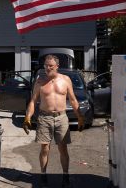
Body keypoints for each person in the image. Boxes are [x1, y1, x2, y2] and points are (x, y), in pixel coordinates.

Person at [23, 55, 84, 188]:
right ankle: (43, 175)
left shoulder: (65, 80)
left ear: (57, 66)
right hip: (44, 118)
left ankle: (65, 176)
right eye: (45, 65)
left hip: (62, 118)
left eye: (50, 66)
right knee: (45, 148)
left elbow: (73, 100)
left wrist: (79, 117)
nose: (48, 68)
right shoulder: (40, 81)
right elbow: (33, 101)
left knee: (63, 148)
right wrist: (28, 117)